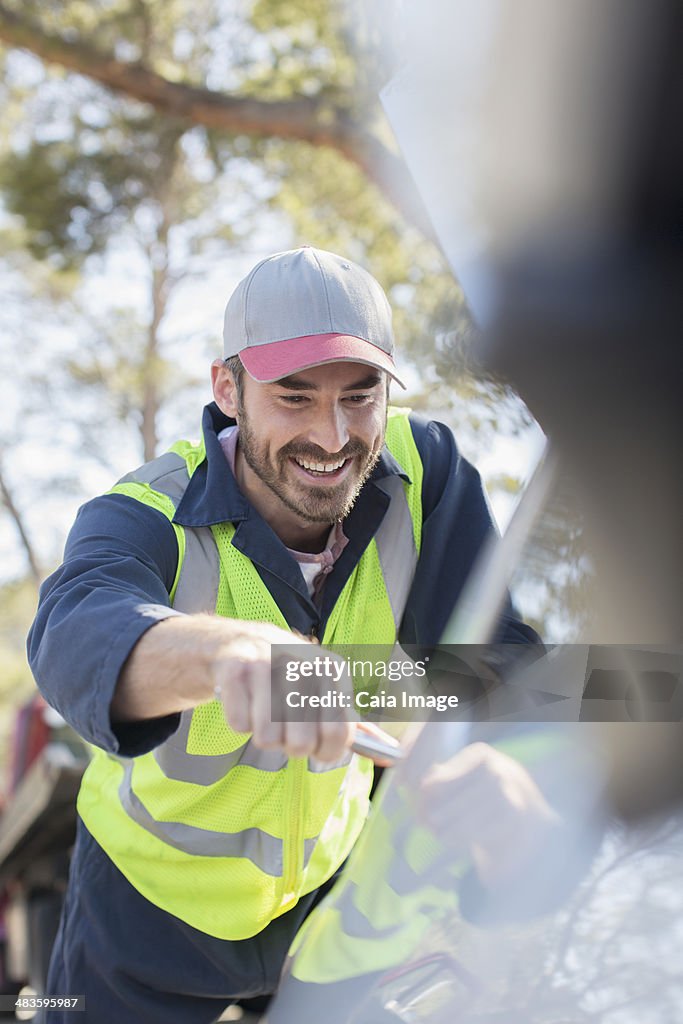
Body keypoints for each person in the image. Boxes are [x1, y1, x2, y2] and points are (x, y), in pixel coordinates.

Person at [28, 246, 540, 1023]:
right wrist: (227, 651)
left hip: (325, 911)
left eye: (359, 397)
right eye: (294, 398)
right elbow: (73, 629)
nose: (332, 439)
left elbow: (496, 667)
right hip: (146, 915)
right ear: (227, 389)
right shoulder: (145, 510)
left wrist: (506, 792)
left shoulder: (424, 473)